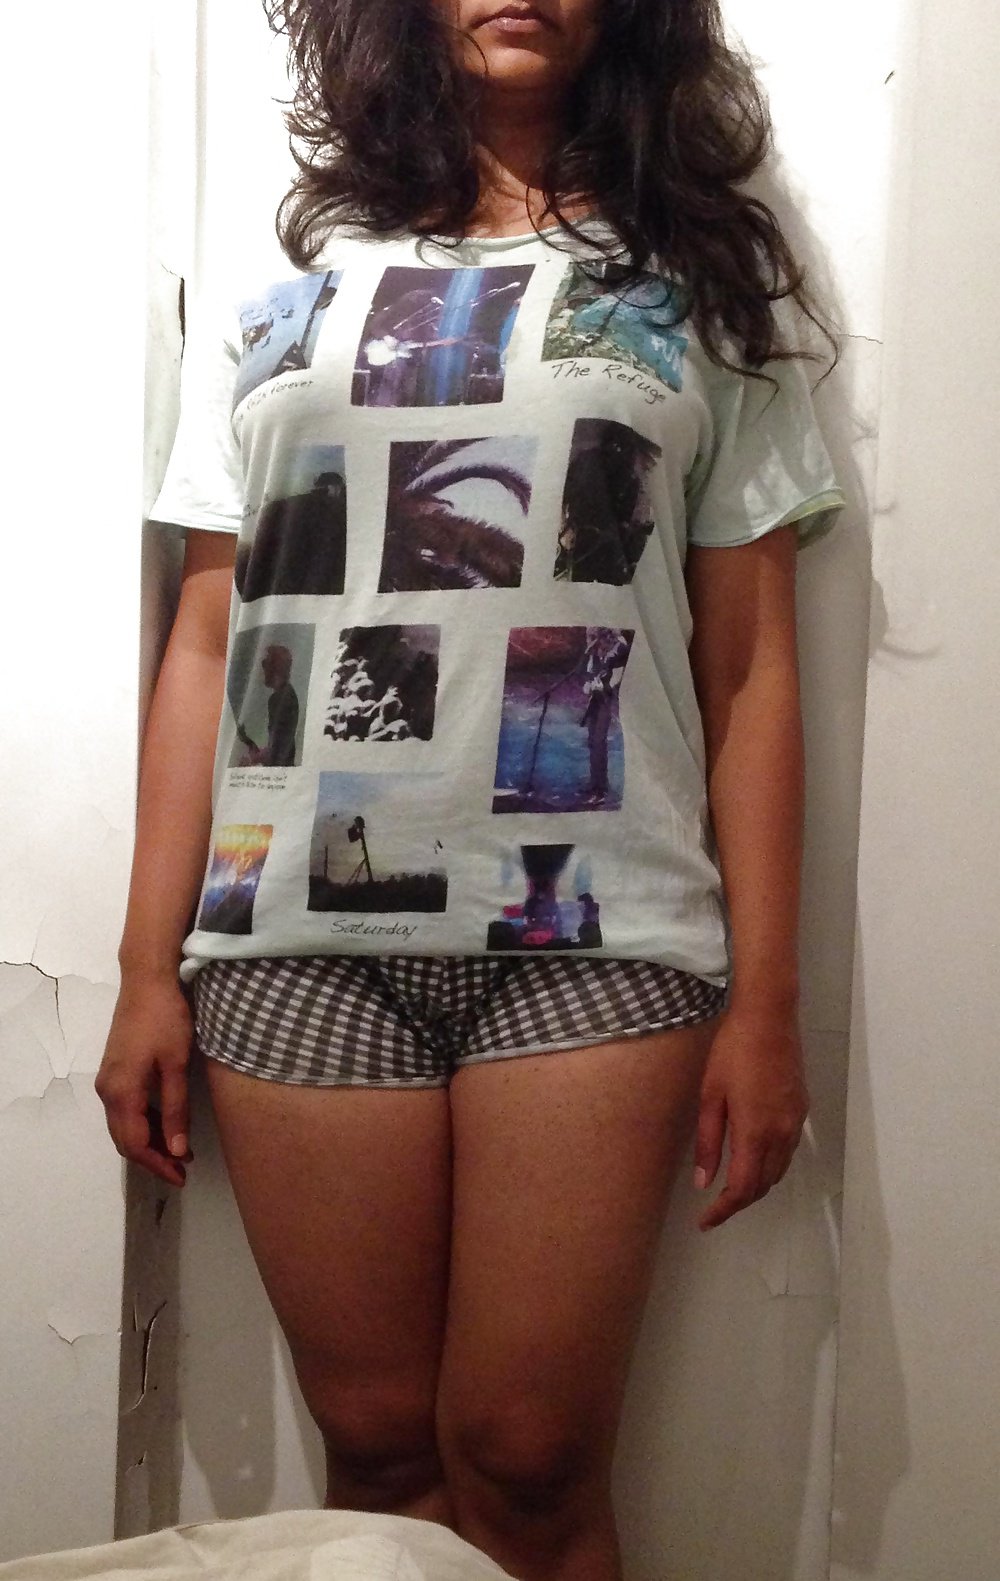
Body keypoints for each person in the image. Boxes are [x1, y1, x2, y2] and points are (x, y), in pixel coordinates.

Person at [96, 3, 846, 1579]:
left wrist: (771, 1002)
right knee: (374, 1455)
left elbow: (751, 669)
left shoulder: (700, 290)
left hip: (596, 935)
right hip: (294, 937)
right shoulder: (282, 290)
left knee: (530, 1458)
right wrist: (142, 968)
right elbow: (209, 635)